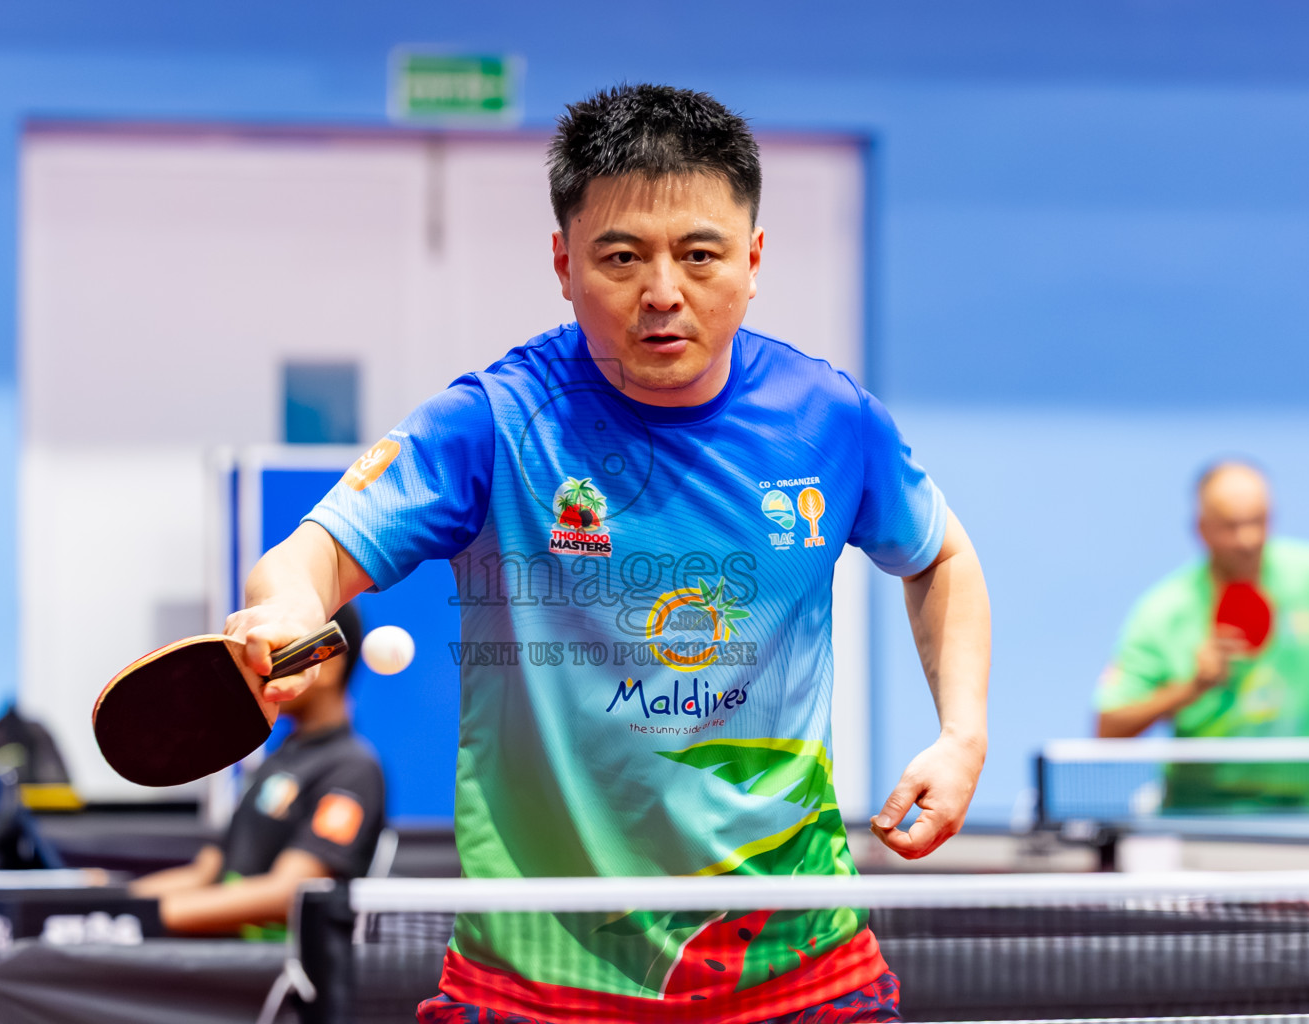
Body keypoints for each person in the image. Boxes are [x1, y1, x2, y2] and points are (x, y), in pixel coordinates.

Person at [229, 84, 990, 1023]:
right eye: (621, 257)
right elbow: (311, 556)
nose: (662, 292)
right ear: (563, 262)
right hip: (537, 979)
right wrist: (285, 610)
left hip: (796, 966)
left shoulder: (829, 419)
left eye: (700, 255)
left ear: (753, 260)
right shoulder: (494, 422)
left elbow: (941, 556)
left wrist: (962, 734)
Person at [1096, 460, 1309, 807]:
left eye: (1259, 521)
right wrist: (1190, 689)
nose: (1247, 540)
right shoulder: (1164, 612)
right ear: (1201, 529)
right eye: (1231, 526)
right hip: (1199, 814)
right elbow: (1108, 730)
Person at [130, 602, 384, 935]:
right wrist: (115, 905)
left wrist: (150, 918)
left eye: (284, 652)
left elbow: (290, 892)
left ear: (327, 663)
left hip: (272, 960)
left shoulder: (353, 769)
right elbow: (209, 871)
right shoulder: (278, 760)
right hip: (220, 952)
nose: (265, 666)